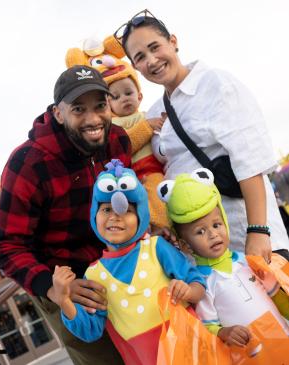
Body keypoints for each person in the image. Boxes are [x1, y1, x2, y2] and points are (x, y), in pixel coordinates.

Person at [114, 9, 289, 263]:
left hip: (244, 234)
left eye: (155, 47)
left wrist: (258, 230)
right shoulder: (154, 112)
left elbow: (249, 159)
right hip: (199, 255)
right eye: (140, 57)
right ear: (136, 67)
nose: (151, 60)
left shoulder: (215, 84)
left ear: (173, 42)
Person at [0, 65, 132, 365]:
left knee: (156, 351)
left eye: (100, 106)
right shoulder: (28, 163)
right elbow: (7, 247)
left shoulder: (119, 140)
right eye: (79, 109)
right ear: (58, 113)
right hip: (66, 283)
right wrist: (53, 290)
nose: (93, 119)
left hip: (122, 268)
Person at [51, 159, 206, 365]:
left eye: (126, 210)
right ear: (94, 216)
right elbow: (92, 331)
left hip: (194, 351)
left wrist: (188, 291)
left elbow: (197, 282)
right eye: (106, 209)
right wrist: (64, 300)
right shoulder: (94, 274)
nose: (115, 217)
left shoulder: (156, 247)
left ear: (141, 216)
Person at [157, 168, 289, 348]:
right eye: (200, 231)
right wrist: (225, 332)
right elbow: (208, 326)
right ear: (186, 245)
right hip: (253, 354)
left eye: (217, 225)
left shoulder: (247, 261)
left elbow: (276, 296)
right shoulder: (202, 283)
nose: (213, 234)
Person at [107, 61, 169, 229]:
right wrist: (147, 126)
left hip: (151, 169)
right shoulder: (113, 125)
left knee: (158, 197)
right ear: (108, 104)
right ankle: (142, 231)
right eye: (116, 97)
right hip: (125, 175)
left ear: (139, 96)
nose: (124, 98)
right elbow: (123, 145)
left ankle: (161, 229)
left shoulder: (146, 115)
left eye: (128, 93)